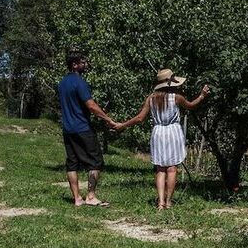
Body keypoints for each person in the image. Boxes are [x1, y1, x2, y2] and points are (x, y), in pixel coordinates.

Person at [116, 69, 209, 209]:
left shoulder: (151, 98)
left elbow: (140, 118)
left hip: (158, 132)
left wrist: (122, 125)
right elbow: (191, 105)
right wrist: (202, 96)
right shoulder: (176, 97)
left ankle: (160, 202)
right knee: (172, 169)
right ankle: (169, 202)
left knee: (160, 169)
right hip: (173, 131)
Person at [58, 52, 120, 207]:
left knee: (72, 163)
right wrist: (108, 119)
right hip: (82, 127)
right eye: (82, 62)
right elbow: (91, 105)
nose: (85, 64)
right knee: (96, 161)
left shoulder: (62, 83)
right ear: (74, 65)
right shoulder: (79, 82)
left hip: (68, 129)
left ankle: (77, 198)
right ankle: (91, 196)